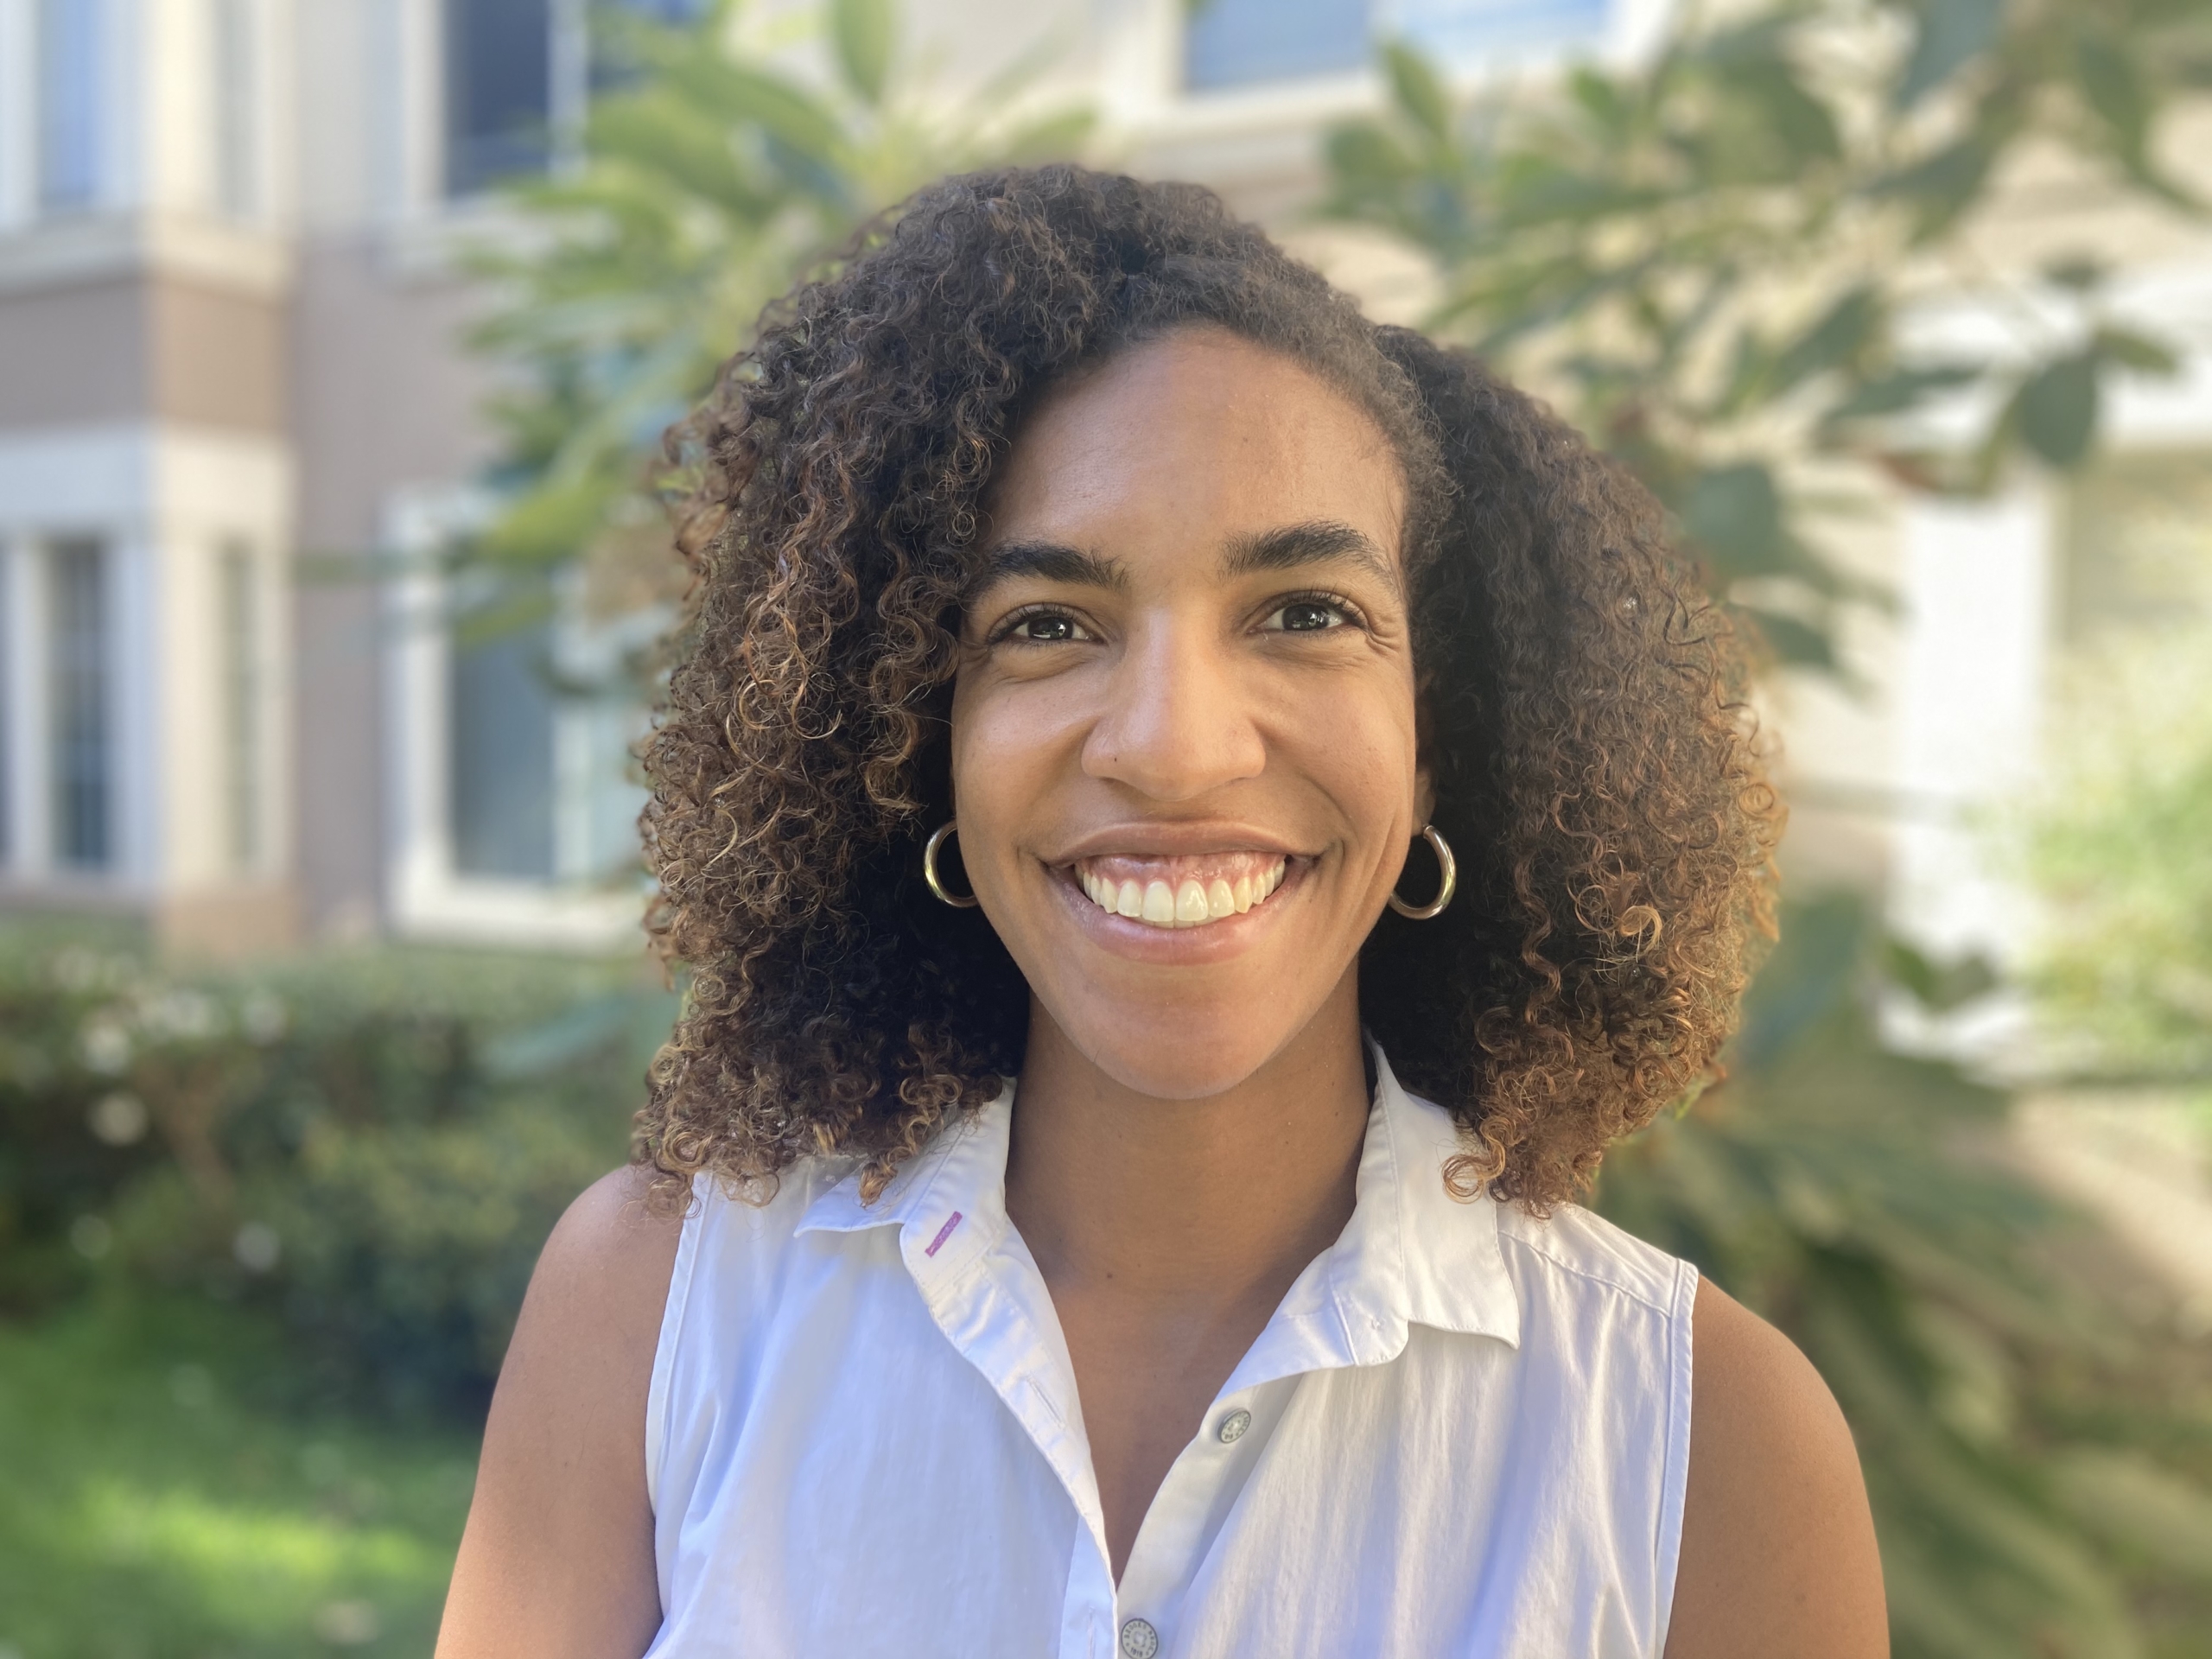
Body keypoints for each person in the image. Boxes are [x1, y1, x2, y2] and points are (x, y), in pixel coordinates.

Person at [435, 167, 1886, 1659]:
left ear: (1439, 727)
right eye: (1048, 626)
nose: (1178, 746)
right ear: (914, 736)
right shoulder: (654, 1314)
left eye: (1306, 614)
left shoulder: (1705, 1442)